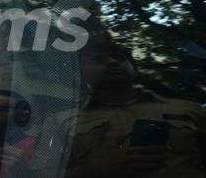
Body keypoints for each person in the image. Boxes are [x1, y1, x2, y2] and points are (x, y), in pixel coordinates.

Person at [32, 38, 206, 177]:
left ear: (133, 69)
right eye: (98, 60)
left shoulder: (188, 109)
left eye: (119, 58)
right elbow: (39, 174)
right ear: (79, 73)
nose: (113, 62)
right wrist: (93, 170)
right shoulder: (59, 121)